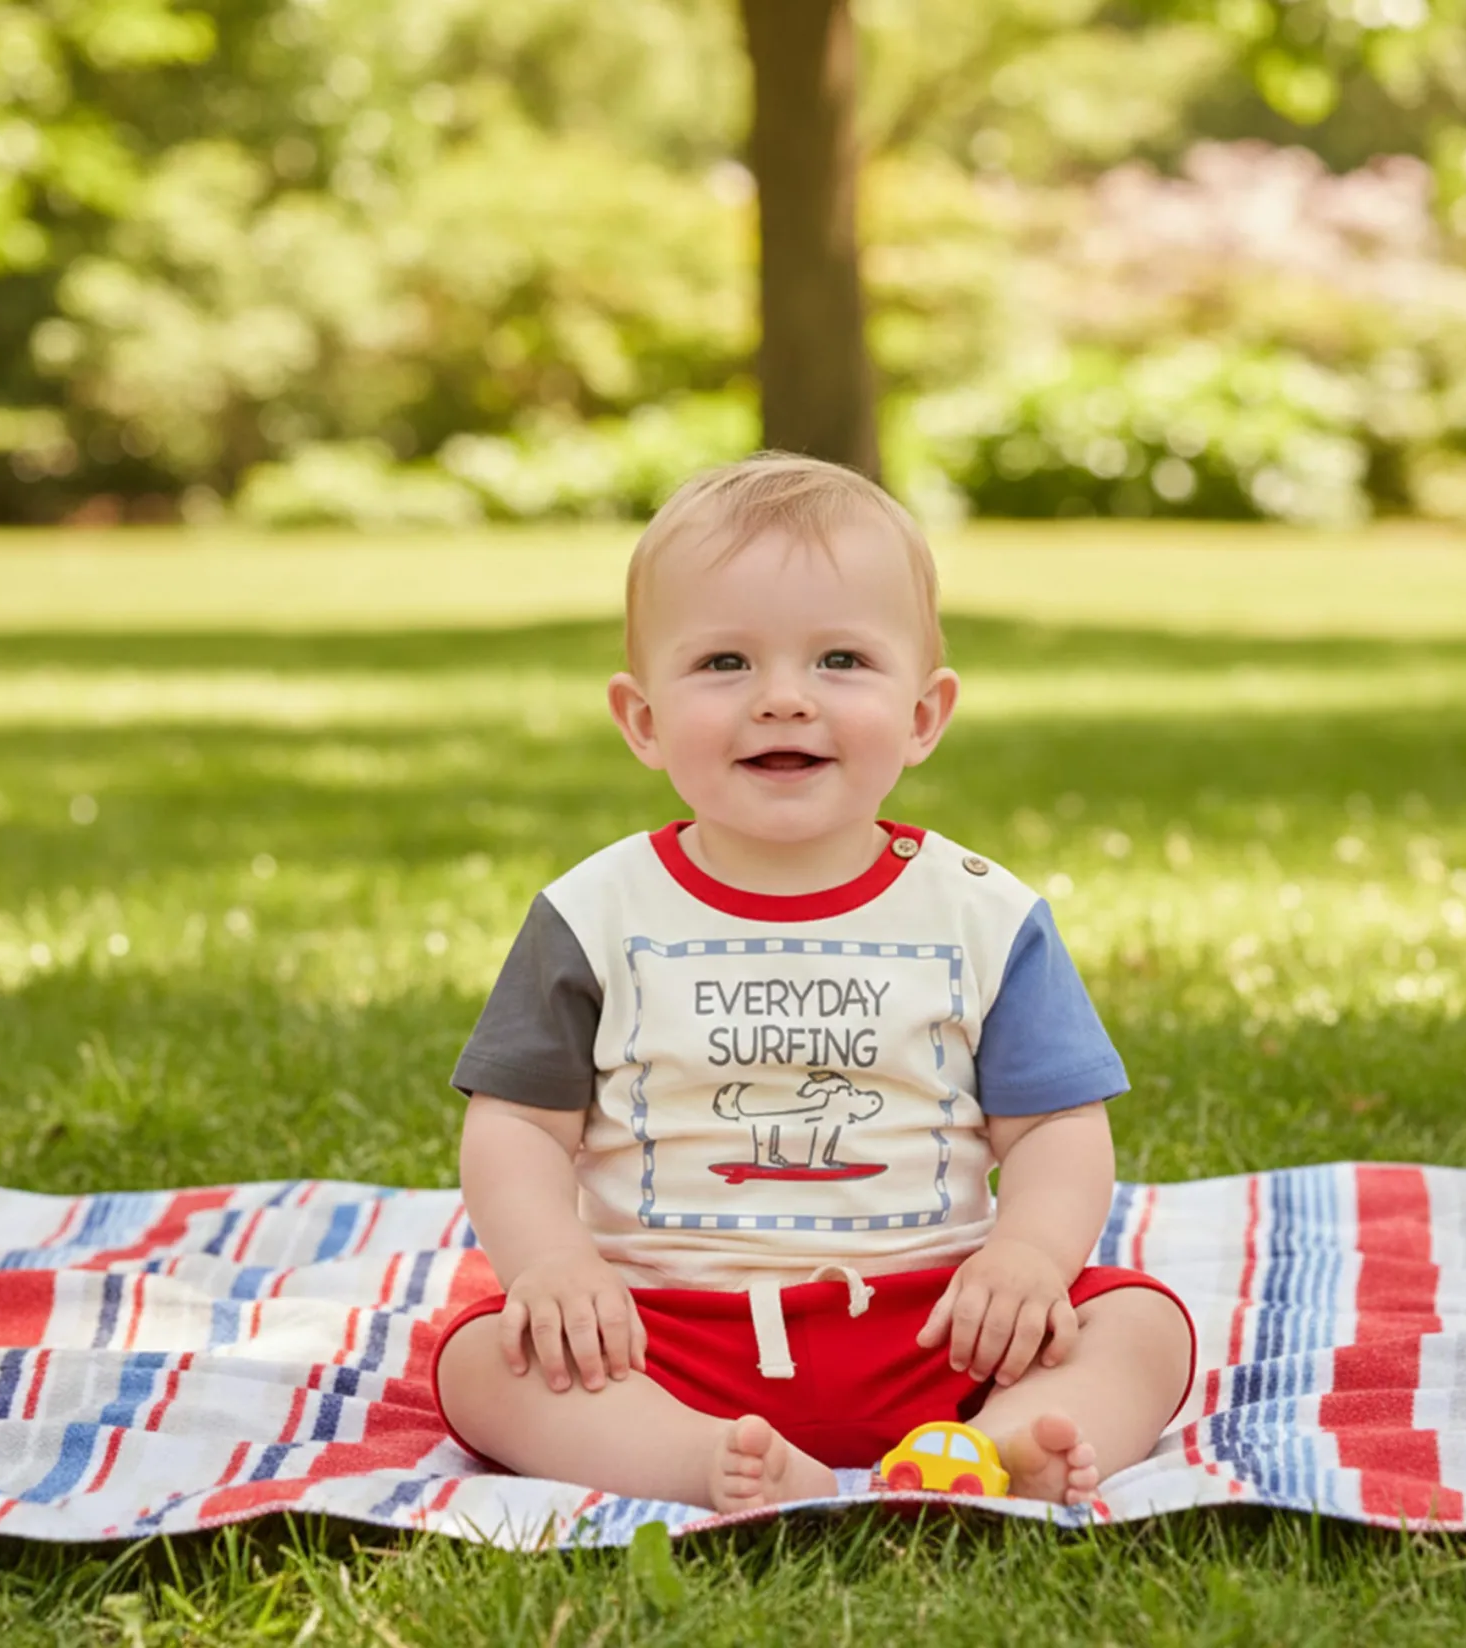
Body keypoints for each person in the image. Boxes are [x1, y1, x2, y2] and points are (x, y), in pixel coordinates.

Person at [432, 453, 1196, 1513]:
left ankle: (991, 1448)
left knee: (1139, 1323)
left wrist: (1023, 1256)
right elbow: (516, 1124)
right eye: (724, 664)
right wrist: (552, 1266)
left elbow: (1056, 1127)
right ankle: (698, 1462)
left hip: (938, 1321)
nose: (783, 699)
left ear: (924, 714)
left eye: (840, 659)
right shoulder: (595, 912)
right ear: (642, 717)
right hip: (665, 1328)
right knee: (483, 1357)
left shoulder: (982, 912)